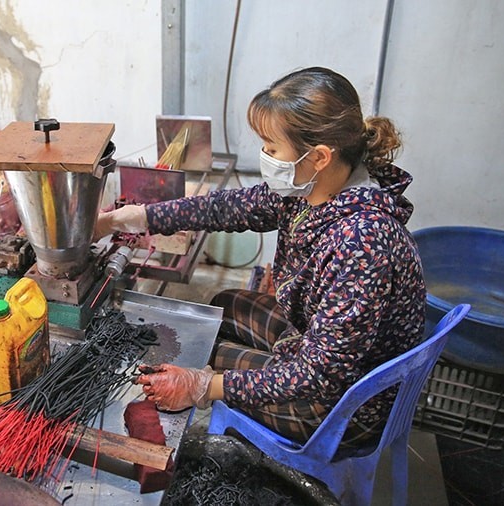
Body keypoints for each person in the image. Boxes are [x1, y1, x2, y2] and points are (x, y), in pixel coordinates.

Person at [95, 67, 426, 446]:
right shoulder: (314, 190)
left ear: (318, 156)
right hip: (319, 347)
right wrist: (136, 218)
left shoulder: (360, 242)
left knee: (211, 356)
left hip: (345, 405)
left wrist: (204, 386)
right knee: (220, 306)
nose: (265, 156)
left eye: (271, 147)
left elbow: (319, 374)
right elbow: (228, 208)